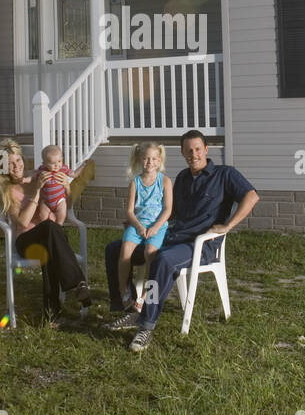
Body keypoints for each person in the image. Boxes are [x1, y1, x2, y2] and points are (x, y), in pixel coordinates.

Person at [105, 130, 258, 353]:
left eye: (197, 149)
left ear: (206, 149)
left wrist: (227, 226)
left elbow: (251, 196)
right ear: (183, 153)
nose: (193, 154)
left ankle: (145, 324)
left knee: (162, 260)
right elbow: (169, 211)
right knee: (115, 249)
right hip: (173, 236)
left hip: (200, 245)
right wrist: (142, 224)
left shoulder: (225, 174)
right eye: (188, 150)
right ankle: (126, 306)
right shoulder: (183, 178)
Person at [0, 137, 92, 321]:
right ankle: (78, 282)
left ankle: (52, 315)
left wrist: (66, 187)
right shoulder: (7, 190)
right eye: (10, 164)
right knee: (49, 226)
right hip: (25, 241)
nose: (16, 166)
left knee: (49, 246)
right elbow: (23, 222)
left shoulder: (40, 172)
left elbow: (67, 204)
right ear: (3, 168)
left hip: (47, 238)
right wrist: (38, 192)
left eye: (18, 160)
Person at [117, 142, 173, 311]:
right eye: (146, 158)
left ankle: (146, 295)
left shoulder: (165, 181)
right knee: (125, 249)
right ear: (139, 159)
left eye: (154, 159)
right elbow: (129, 211)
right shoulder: (135, 182)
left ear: (159, 160)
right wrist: (138, 227)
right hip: (137, 224)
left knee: (150, 253)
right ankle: (124, 290)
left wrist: (155, 227)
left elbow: (168, 209)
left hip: (158, 226)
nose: (150, 162)